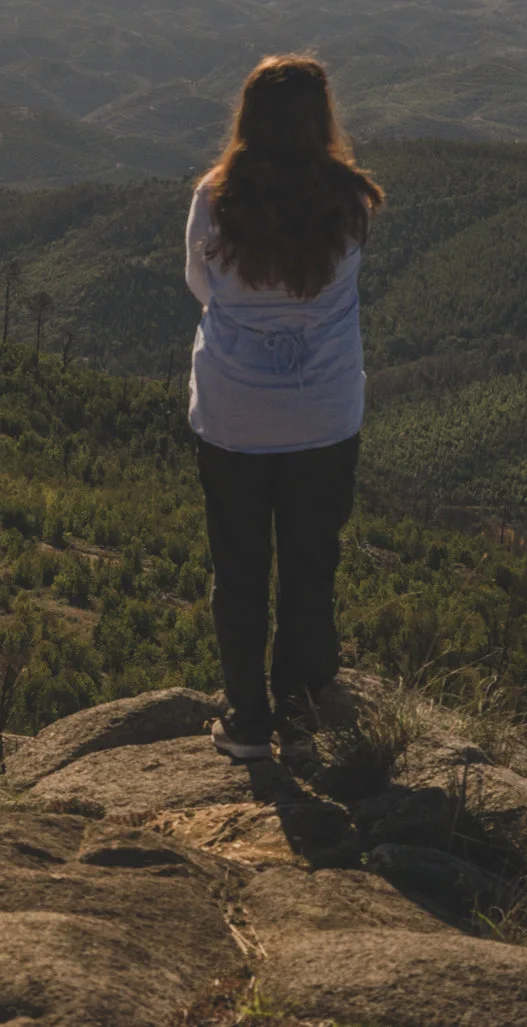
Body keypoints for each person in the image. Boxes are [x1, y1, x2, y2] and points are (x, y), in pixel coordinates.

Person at [185, 54, 383, 761]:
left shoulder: (216, 198)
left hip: (233, 413)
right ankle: (300, 720)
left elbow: (199, 284)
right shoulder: (351, 200)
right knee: (310, 566)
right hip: (323, 414)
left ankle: (247, 721)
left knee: (239, 568)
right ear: (321, 119)